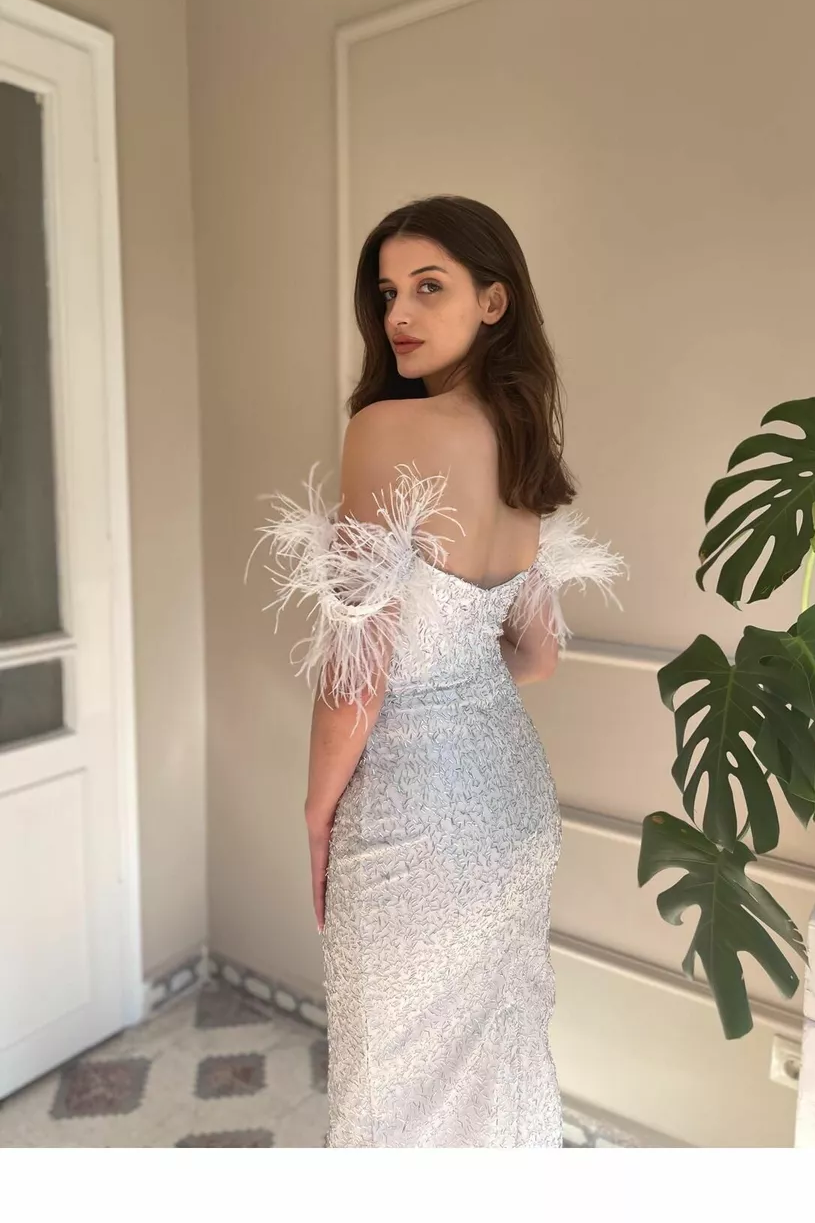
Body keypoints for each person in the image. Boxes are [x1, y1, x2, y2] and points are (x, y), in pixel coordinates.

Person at [248, 194, 626, 1148]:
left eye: (428, 287)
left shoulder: (387, 429)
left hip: (412, 815)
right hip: (511, 804)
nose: (399, 316)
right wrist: (455, 662)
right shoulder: (523, 444)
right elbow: (536, 654)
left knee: (391, 1091)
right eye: (386, 294)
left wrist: (316, 813)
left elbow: (356, 677)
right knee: (494, 1073)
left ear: (493, 302)